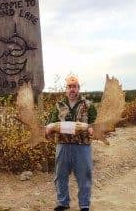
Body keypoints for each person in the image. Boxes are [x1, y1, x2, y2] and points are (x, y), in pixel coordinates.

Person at [46, 75, 97, 211]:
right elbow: (49, 123)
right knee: (60, 175)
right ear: (66, 89)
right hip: (62, 146)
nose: (72, 89)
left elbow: (96, 124)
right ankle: (63, 203)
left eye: (74, 86)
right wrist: (50, 128)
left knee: (84, 176)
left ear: (79, 88)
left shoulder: (89, 105)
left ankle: (84, 205)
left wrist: (91, 128)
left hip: (83, 146)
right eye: (69, 86)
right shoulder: (58, 105)